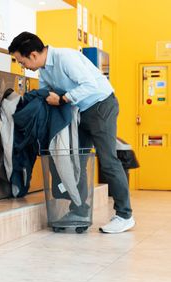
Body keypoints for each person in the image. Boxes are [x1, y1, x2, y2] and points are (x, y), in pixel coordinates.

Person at [8, 32, 135, 233]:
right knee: (77, 161)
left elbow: (90, 85)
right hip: (81, 112)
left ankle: (125, 215)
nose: (22, 66)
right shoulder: (44, 71)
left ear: (33, 55)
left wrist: (64, 98)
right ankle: (79, 210)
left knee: (108, 160)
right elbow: (46, 95)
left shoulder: (65, 58)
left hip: (101, 106)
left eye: (21, 61)